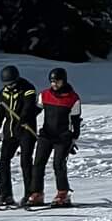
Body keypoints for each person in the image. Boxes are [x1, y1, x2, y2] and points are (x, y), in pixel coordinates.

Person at [0, 65, 41, 210]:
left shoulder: (28, 89)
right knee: (4, 161)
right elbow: (0, 113)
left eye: (11, 84)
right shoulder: (3, 93)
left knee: (25, 161)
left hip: (25, 131)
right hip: (10, 132)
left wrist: (24, 118)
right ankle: (5, 194)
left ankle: (30, 193)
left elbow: (29, 106)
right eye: (6, 84)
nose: (9, 87)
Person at [35, 66, 83, 208]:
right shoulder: (44, 95)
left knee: (58, 164)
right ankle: (37, 193)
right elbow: (34, 111)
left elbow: (75, 120)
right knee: (38, 163)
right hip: (46, 134)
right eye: (52, 81)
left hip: (63, 137)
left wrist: (74, 138)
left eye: (57, 81)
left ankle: (63, 193)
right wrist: (24, 116)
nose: (54, 84)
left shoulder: (73, 98)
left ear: (64, 81)